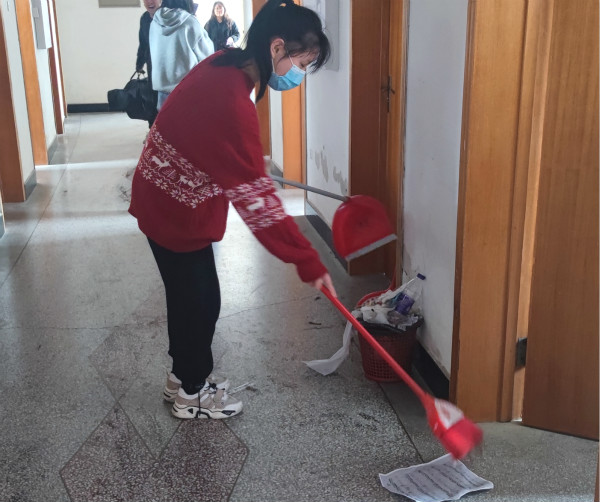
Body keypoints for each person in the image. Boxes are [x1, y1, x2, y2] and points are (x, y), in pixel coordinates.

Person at [129, 0, 334, 421]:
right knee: (200, 303)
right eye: (300, 63)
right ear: (277, 48)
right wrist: (307, 259)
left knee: (189, 297)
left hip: (163, 193)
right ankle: (192, 394)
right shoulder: (233, 99)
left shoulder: (224, 63)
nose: (298, 74)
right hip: (173, 207)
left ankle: (181, 378)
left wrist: (243, 168)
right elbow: (259, 205)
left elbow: (220, 151)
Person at [149, 0, 214, 111]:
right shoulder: (190, 22)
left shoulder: (155, 23)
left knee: (167, 122)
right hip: (186, 90)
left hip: (162, 91)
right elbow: (208, 54)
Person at [135, 0, 162, 127]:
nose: (150, 2)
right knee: (152, 96)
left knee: (165, 98)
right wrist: (139, 63)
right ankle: (153, 128)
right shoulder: (144, 18)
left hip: (167, 64)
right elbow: (143, 43)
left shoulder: (166, 17)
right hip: (151, 63)